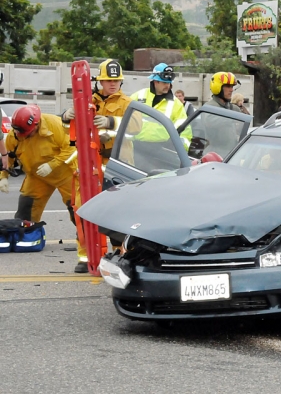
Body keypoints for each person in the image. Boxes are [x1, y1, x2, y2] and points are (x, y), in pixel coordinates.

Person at [61, 59, 141, 273]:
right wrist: (66, 118)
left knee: (116, 212)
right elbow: (70, 132)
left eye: (115, 80)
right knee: (82, 208)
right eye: (107, 80)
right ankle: (85, 255)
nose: (112, 84)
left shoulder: (126, 102)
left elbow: (137, 126)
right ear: (99, 81)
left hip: (116, 163)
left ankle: (119, 253)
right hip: (89, 164)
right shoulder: (88, 100)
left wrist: (110, 122)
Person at [0, 105, 76, 232]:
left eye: (24, 132)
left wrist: (52, 165)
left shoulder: (55, 125)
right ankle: (25, 237)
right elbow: (9, 157)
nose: (19, 135)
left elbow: (71, 149)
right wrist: (3, 177)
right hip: (37, 176)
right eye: (17, 131)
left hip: (65, 173)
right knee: (26, 208)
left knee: (76, 208)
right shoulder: (15, 135)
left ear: (35, 125)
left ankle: (86, 242)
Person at [130, 63, 191, 150]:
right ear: (155, 82)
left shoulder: (176, 104)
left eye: (169, 82)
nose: (167, 85)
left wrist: (176, 148)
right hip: (136, 148)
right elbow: (124, 121)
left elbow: (185, 133)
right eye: (164, 82)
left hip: (162, 152)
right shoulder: (138, 96)